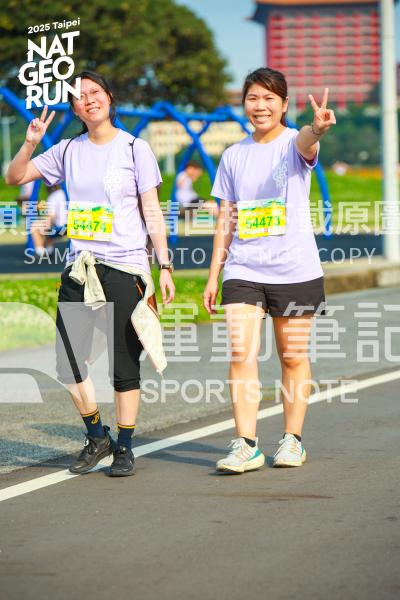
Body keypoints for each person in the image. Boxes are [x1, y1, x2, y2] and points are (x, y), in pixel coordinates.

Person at [6, 71, 175, 477]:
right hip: (80, 269)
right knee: (68, 362)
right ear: (74, 108)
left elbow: (152, 210)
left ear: (109, 97)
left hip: (125, 266)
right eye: (79, 96)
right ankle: (98, 437)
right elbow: (14, 177)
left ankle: (125, 447)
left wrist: (165, 264)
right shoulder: (67, 150)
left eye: (95, 92)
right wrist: (30, 142)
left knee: (123, 363)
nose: (88, 99)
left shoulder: (135, 148)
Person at [203, 67, 336, 473]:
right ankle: (246, 444)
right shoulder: (233, 155)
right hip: (243, 268)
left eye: (268, 99)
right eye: (252, 98)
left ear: (283, 104)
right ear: (243, 103)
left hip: (294, 269)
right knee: (241, 352)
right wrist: (214, 274)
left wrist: (316, 129)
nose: (259, 106)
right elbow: (226, 217)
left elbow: (307, 141)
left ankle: (292, 440)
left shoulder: (293, 144)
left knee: (292, 356)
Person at [30, 185, 67, 257]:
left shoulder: (53, 196)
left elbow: (51, 216)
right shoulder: (67, 193)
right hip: (70, 226)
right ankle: (49, 249)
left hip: (62, 229)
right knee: (48, 227)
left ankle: (40, 252)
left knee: (35, 226)